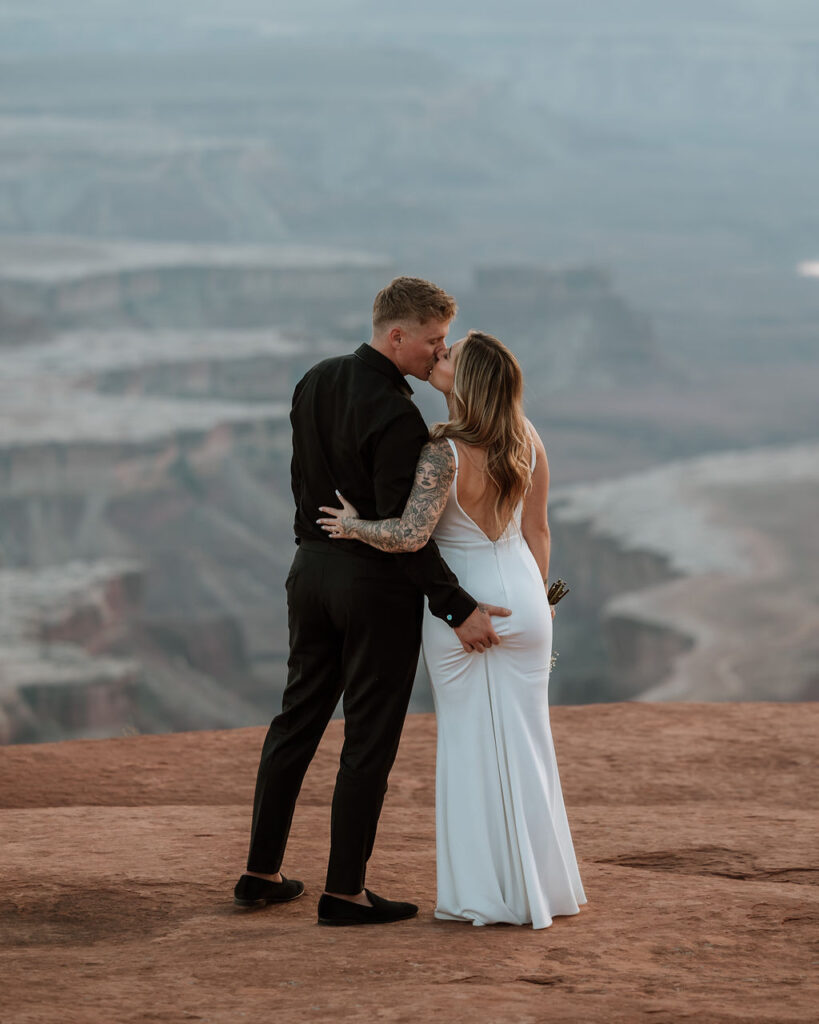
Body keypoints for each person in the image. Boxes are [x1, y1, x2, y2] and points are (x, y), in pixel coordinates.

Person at [233, 278, 511, 926]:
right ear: (396, 336)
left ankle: (259, 872)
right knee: (368, 739)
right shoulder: (396, 415)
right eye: (433, 340)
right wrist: (457, 607)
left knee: (295, 722)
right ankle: (344, 892)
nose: (439, 354)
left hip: (308, 574)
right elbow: (404, 536)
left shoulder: (315, 380)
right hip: (371, 590)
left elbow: (305, 480)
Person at [318, 330, 587, 929]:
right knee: (528, 745)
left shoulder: (444, 450)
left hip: (463, 607)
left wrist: (355, 525)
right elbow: (539, 531)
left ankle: (483, 896)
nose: (438, 358)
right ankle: (543, 890)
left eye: (448, 357)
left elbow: (411, 536)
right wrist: (538, 611)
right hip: (525, 597)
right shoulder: (528, 439)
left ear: (466, 383)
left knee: (470, 748)